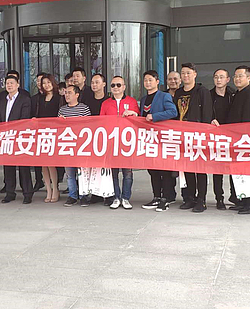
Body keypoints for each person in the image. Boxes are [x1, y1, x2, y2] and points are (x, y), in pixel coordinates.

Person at [218, 65, 250, 214]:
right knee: (238, 172)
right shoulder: (237, 94)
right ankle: (242, 201)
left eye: (240, 76)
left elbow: (247, 119)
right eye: (235, 76)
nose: (237, 79)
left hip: (245, 140)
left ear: (249, 78)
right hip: (236, 139)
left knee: (248, 172)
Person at [173, 63, 212, 212]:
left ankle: (201, 200)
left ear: (195, 74)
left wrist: (205, 133)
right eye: (183, 73)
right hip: (182, 135)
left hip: (198, 135)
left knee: (200, 169)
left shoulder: (202, 91)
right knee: (187, 167)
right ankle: (190, 198)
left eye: (188, 73)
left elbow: (207, 113)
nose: (185, 76)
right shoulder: (178, 92)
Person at [139, 71, 178, 212]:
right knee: (153, 169)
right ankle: (156, 196)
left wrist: (155, 116)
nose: (148, 82)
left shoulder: (164, 96)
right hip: (149, 139)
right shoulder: (144, 99)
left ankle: (165, 199)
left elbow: (173, 112)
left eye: (150, 80)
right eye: (145, 80)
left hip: (163, 139)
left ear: (157, 82)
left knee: (165, 170)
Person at [100, 76, 139, 210]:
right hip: (111, 141)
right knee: (114, 172)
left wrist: (133, 113)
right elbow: (101, 122)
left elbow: (138, 119)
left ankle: (126, 198)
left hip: (127, 141)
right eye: (113, 85)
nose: (115, 88)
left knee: (127, 172)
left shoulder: (132, 101)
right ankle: (116, 197)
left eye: (118, 85)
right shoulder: (105, 103)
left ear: (124, 87)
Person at [0, 75, 34, 204]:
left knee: (23, 167)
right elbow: (0, 118)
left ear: (18, 85)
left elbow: (24, 118)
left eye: (12, 83)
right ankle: (10, 193)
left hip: (20, 137)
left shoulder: (24, 99)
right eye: (7, 83)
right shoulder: (3, 100)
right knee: (8, 167)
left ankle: (27, 193)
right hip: (6, 138)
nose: (9, 85)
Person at [60, 85, 92, 207]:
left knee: (83, 172)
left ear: (77, 95)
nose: (67, 95)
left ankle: (84, 196)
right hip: (67, 144)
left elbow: (90, 126)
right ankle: (72, 196)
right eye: (65, 93)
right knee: (69, 173)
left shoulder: (84, 109)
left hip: (81, 145)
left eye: (69, 93)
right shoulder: (62, 110)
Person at [210, 69, 234, 210]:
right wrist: (211, 120)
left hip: (232, 136)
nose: (218, 80)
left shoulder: (233, 95)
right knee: (217, 169)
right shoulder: (209, 95)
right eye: (216, 77)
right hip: (215, 136)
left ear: (227, 79)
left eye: (221, 77)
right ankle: (219, 198)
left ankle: (234, 196)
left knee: (233, 167)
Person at [36, 74, 61, 203]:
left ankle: (55, 189)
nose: (46, 85)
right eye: (44, 83)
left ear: (53, 83)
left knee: (51, 164)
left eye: (48, 82)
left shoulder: (59, 98)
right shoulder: (40, 98)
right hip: (41, 133)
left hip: (53, 133)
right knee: (43, 165)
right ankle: (48, 190)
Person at [30, 72, 46, 192]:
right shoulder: (34, 98)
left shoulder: (54, 97)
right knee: (37, 158)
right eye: (38, 81)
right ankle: (38, 180)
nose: (40, 83)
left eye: (42, 81)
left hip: (49, 132)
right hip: (36, 132)